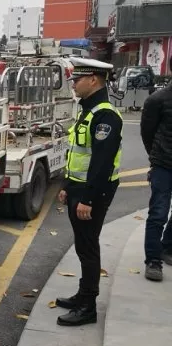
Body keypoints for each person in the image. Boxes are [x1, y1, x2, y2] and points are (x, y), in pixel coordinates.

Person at [55, 58, 123, 327]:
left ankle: (88, 307)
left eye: (77, 80)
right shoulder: (88, 111)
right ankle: (82, 296)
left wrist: (87, 199)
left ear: (93, 80)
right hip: (78, 188)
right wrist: (66, 187)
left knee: (88, 247)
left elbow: (101, 164)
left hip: (92, 192)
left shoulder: (106, 116)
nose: (73, 84)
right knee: (83, 245)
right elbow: (76, 154)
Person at [140, 57, 172, 281]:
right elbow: (147, 133)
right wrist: (156, 157)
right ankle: (153, 260)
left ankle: (167, 246)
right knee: (158, 213)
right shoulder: (158, 100)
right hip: (163, 165)